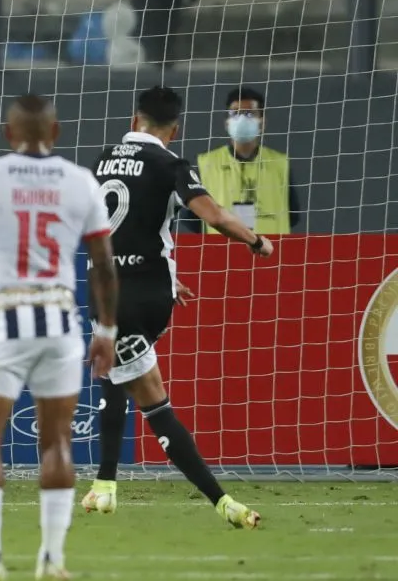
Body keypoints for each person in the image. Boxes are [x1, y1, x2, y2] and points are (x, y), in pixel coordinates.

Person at [0, 94, 119, 581]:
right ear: (56, 132)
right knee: (58, 441)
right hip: (61, 320)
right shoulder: (81, 181)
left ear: (8, 133)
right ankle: (52, 559)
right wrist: (106, 328)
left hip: (2, 319)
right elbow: (103, 264)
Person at [81, 86, 272, 528]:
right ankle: (105, 487)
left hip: (109, 293)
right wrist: (255, 240)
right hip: (150, 295)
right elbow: (215, 215)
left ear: (135, 120)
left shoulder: (101, 160)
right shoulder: (169, 163)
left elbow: (106, 227)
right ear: (175, 129)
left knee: (152, 401)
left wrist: (251, 242)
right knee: (118, 376)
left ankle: (223, 503)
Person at [178, 86, 301, 234]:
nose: (242, 118)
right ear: (226, 122)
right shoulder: (206, 164)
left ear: (262, 122)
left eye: (249, 113)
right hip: (221, 252)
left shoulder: (279, 163)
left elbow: (293, 215)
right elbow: (191, 218)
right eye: (235, 113)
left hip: (271, 251)